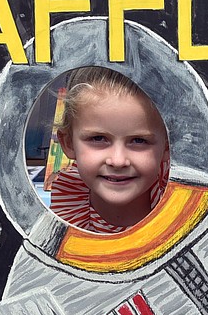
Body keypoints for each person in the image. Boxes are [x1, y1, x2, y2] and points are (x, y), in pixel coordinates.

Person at [48, 66, 169, 233]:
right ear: (68, 143)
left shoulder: (181, 198)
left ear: (167, 147)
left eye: (139, 140)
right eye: (98, 138)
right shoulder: (69, 203)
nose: (118, 161)